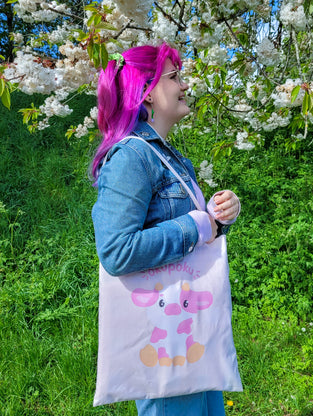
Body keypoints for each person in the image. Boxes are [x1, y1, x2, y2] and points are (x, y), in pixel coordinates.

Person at [91, 43, 241, 415]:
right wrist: (195, 225)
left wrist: (218, 217)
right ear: (146, 94)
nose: (184, 85)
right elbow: (117, 251)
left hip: (192, 331)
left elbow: (193, 230)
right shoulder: (131, 156)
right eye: (174, 77)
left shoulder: (169, 157)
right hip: (165, 339)